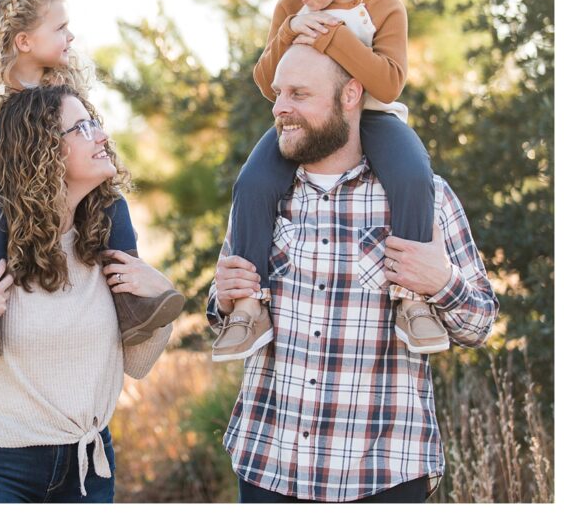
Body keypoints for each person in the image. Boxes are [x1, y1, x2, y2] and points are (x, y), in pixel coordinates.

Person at [208, 44, 499, 503]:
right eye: (279, 94)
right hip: (269, 468)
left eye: (300, 94)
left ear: (350, 96)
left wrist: (441, 282)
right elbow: (222, 314)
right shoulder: (261, 197)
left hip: (383, 476)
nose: (281, 107)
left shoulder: (426, 198)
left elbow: (479, 324)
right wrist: (223, 297)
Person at [0, 85, 179, 503]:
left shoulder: (102, 242)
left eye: (96, 123)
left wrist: (162, 305)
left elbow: (137, 364)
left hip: (87, 467)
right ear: (44, 148)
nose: (101, 136)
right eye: (81, 128)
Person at [213, 0, 448, 362]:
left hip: (375, 118)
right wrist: (289, 32)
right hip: (304, 118)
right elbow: (265, 82)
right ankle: (247, 307)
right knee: (253, 181)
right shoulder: (290, 9)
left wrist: (338, 39)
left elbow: (389, 82)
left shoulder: (384, 7)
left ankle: (412, 300)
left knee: (412, 173)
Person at [0, 0, 183, 357]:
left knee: (114, 206)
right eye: (61, 28)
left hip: (47, 190)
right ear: (24, 41)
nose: (71, 36)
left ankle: (131, 306)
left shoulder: (58, 85)